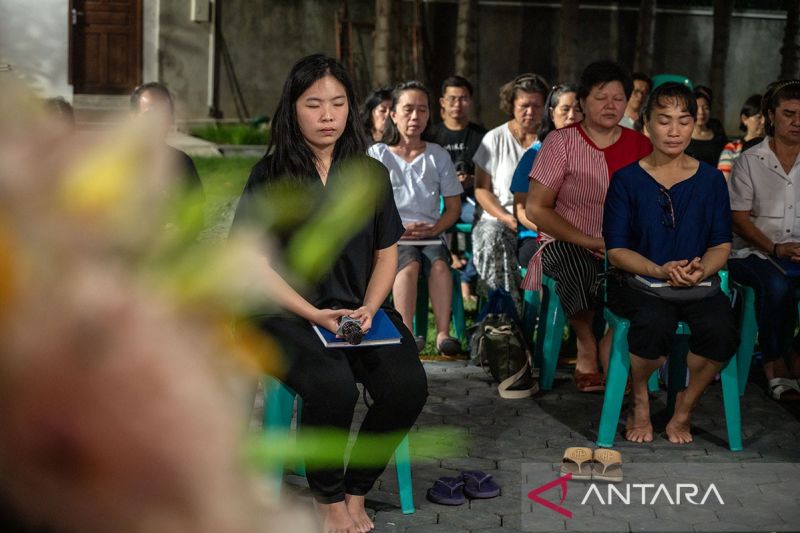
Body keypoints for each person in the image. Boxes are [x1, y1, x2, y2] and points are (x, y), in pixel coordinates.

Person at [232, 55, 427, 532]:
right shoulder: (270, 175)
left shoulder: (369, 175)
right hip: (286, 314)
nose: (327, 115)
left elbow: (387, 254)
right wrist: (313, 314)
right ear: (292, 109)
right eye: (313, 103)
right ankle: (327, 499)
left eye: (337, 103)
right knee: (332, 386)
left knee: (408, 386)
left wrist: (369, 306)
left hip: (358, 314)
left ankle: (357, 489)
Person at [603, 82, 737, 444]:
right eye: (664, 121)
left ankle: (684, 408)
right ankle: (642, 399)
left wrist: (701, 271)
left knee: (722, 330)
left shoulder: (711, 181)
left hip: (698, 284)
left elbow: (721, 244)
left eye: (684, 120)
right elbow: (616, 250)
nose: (674, 131)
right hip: (639, 282)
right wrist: (660, 270)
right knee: (652, 322)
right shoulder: (627, 180)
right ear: (646, 124)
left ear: (694, 125)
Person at [524, 60, 652, 393]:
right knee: (578, 267)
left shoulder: (640, 146)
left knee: (652, 275)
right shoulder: (560, 142)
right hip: (565, 241)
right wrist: (588, 240)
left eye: (618, 97)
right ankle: (585, 345)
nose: (611, 105)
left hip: (623, 246)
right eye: (601, 97)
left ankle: (615, 343)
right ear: (582, 101)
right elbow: (536, 208)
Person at [368, 81, 463, 355]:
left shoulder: (438, 155)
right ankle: (407, 332)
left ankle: (443, 334)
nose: (415, 117)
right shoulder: (377, 154)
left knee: (441, 267)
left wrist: (435, 228)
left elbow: (454, 208)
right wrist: (398, 229)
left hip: (431, 236)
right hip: (393, 237)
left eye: (422, 110)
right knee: (408, 267)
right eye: (408, 109)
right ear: (393, 115)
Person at [728, 80, 800, 401]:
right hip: (752, 252)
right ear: (771, 116)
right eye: (789, 114)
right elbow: (739, 220)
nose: (797, 121)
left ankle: (794, 351)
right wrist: (773, 247)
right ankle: (773, 360)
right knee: (777, 285)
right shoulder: (750, 161)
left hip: (795, 252)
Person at [472, 73, 549, 300]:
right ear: (511, 105)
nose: (530, 112)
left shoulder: (550, 141)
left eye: (537, 106)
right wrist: (507, 218)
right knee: (492, 236)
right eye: (524, 105)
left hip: (538, 219)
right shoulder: (494, 138)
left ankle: (526, 313)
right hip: (499, 216)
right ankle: (501, 312)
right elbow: (481, 189)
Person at [423, 76, 486, 302]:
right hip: (437, 200)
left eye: (463, 99)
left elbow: (489, 175)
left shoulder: (482, 136)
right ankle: (448, 261)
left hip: (471, 199)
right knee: (427, 221)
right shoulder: (431, 135)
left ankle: (466, 277)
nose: (457, 104)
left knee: (487, 224)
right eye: (452, 99)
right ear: (442, 102)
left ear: (470, 101)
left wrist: (471, 179)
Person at [510, 84, 583, 267]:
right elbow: (521, 210)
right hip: (538, 237)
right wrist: (556, 233)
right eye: (565, 109)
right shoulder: (534, 155)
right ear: (551, 114)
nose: (572, 116)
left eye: (578, 110)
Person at [130, 82, 204, 199]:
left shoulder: (183, 164)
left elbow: (197, 212)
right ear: (134, 118)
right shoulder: (115, 166)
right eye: (150, 114)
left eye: (163, 114)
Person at [717, 94, 765, 179]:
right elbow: (724, 182)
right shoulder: (732, 149)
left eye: (766, 117)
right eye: (759, 117)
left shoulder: (774, 146)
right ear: (744, 119)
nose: (763, 122)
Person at [686, 89, 727, 166]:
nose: (701, 112)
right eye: (697, 108)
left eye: (706, 108)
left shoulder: (717, 130)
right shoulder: (683, 136)